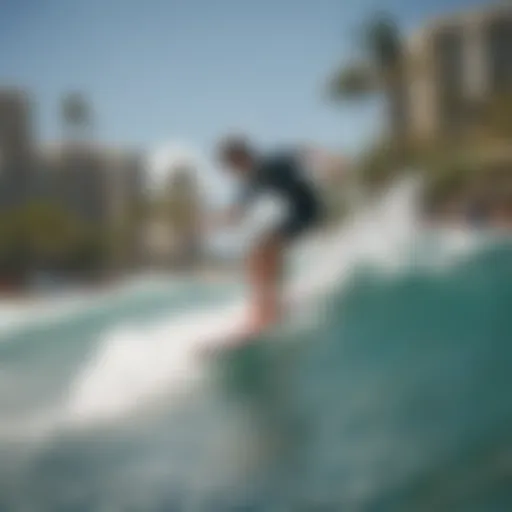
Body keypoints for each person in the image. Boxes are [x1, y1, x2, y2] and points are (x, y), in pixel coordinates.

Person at [215, 135, 323, 336]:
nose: (233, 172)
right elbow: (237, 212)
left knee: (265, 245)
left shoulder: (271, 163)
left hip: (308, 210)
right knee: (255, 252)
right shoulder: (251, 180)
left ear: (242, 157)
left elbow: (302, 152)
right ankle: (266, 309)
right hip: (292, 216)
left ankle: (269, 309)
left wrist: (330, 160)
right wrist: (215, 221)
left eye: (232, 166)